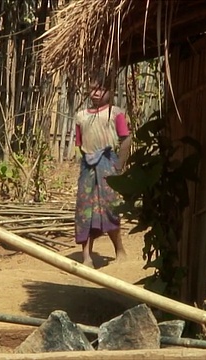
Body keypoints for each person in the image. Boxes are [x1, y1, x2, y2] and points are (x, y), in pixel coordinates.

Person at [74, 80, 131, 268]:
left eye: (100, 89)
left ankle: (119, 249)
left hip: (108, 164)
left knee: (110, 207)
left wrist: (119, 167)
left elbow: (126, 139)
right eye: (92, 89)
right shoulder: (80, 116)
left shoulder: (116, 113)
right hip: (87, 167)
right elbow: (78, 144)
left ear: (110, 90)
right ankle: (86, 257)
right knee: (85, 210)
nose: (96, 93)